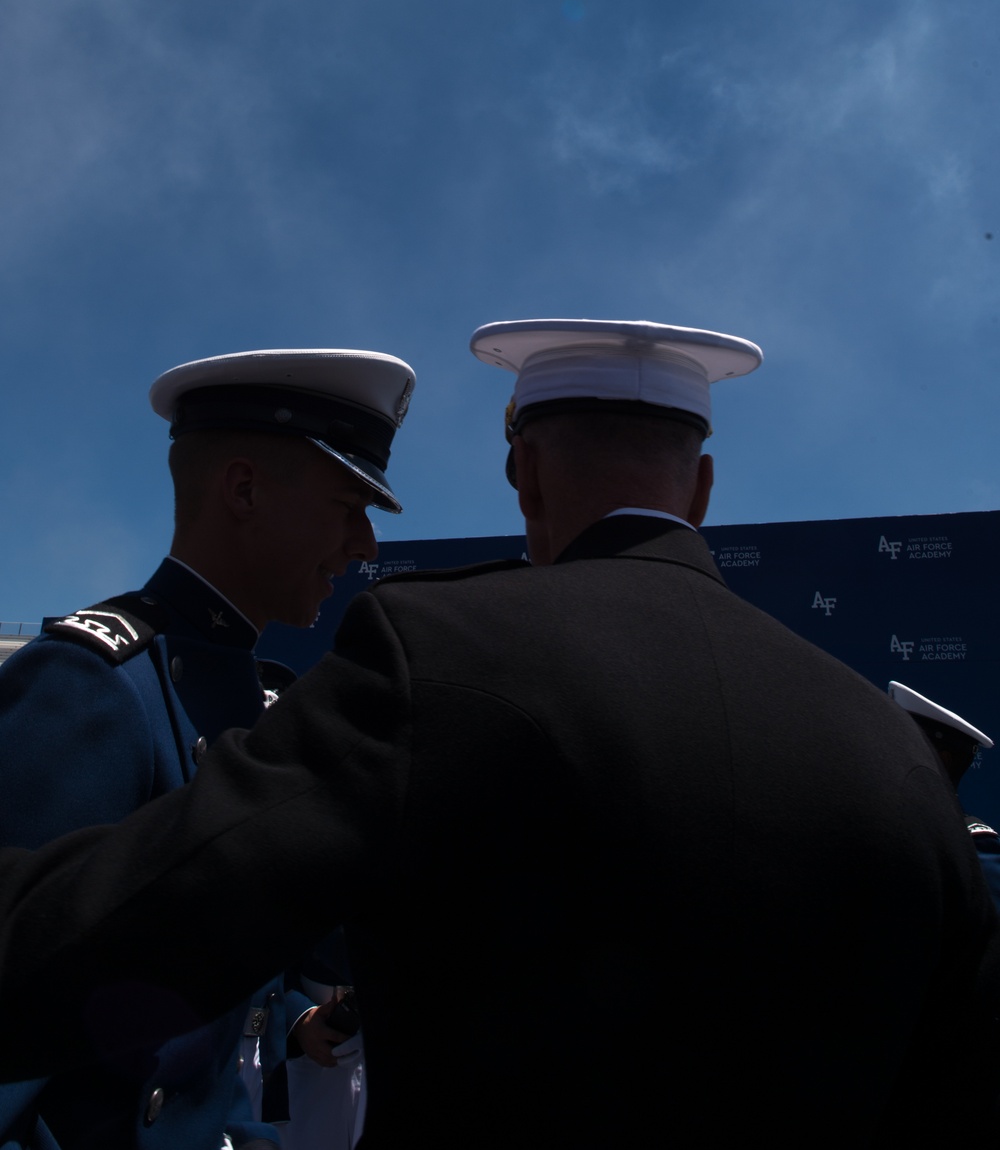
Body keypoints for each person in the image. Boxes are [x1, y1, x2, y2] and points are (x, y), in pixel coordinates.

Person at [0, 318, 997, 1148]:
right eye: (351, 505)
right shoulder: (898, 755)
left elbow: (154, 910)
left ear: (521, 471)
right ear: (699, 489)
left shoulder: (440, 651)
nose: (363, 547)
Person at [0, 346, 414, 1150]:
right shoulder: (91, 688)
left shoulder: (255, 699)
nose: (365, 544)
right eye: (348, 506)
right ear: (245, 490)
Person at [889, 680, 1000, 909]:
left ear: (942, 760)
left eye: (905, 745)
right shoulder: (884, 830)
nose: (891, 754)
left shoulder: (973, 845)